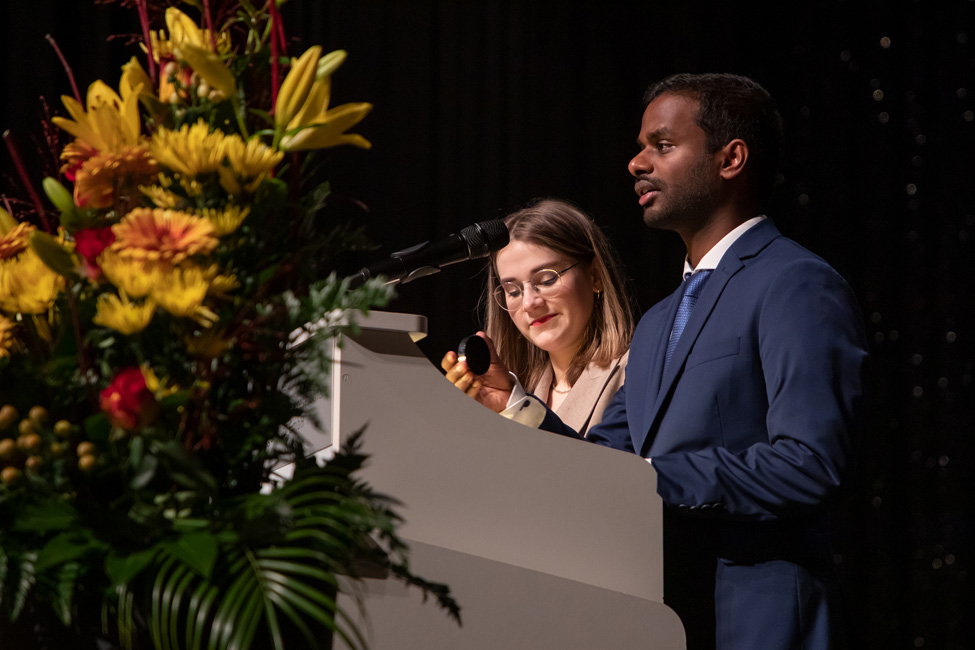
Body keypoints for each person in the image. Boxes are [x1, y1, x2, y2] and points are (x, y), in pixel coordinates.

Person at [461, 74, 868, 650]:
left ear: (730, 159)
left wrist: (650, 477)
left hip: (761, 621)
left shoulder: (794, 283)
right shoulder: (657, 323)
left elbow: (810, 463)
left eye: (663, 145)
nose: (636, 163)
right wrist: (517, 406)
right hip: (668, 623)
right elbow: (601, 465)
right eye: (640, 147)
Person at [441, 198, 634, 436]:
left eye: (547, 280)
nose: (529, 303)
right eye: (513, 291)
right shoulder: (517, 392)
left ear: (595, 275)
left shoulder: (637, 372)